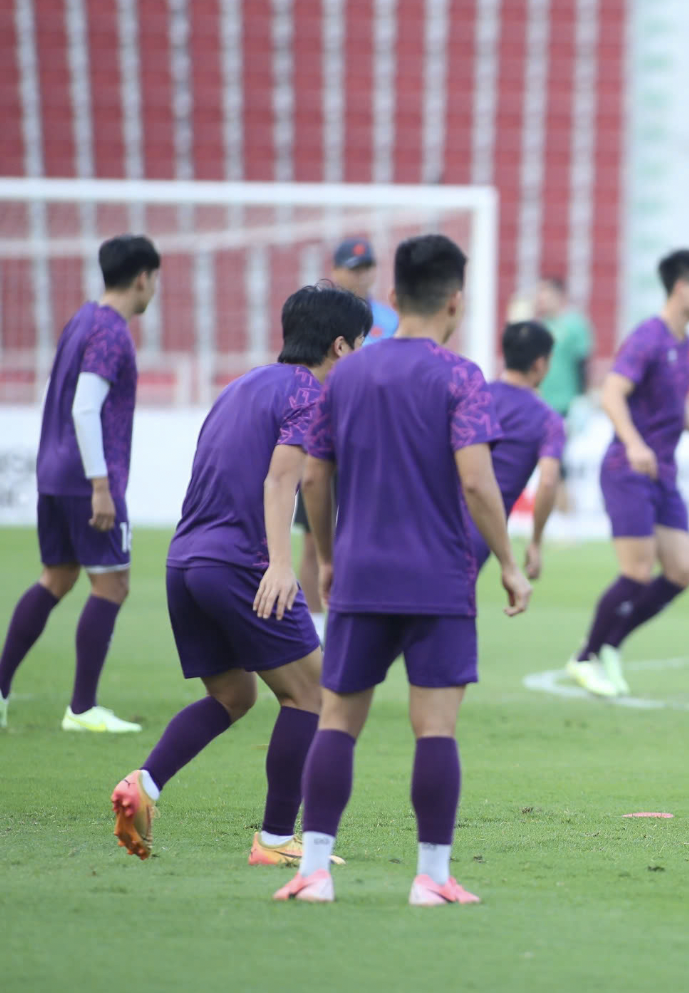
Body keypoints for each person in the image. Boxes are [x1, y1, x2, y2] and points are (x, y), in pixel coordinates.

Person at [273, 234, 531, 906]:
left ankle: (315, 870)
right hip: (439, 579)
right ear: (456, 300)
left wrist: (327, 556)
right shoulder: (461, 377)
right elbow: (478, 483)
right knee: (435, 728)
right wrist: (509, 563)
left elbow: (316, 478)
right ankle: (432, 877)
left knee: (337, 722)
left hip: (361, 575)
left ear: (390, 298)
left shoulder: (348, 373)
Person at [110, 284, 370, 866]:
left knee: (233, 695)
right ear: (340, 347)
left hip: (186, 561)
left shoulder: (243, 385)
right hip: (240, 564)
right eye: (361, 344)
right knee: (313, 695)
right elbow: (282, 482)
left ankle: (143, 787)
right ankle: (276, 840)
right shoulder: (311, 393)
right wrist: (281, 563)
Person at [0, 234, 160, 733]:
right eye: (154, 280)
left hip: (54, 472)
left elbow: (57, 394)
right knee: (113, 583)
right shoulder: (113, 333)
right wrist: (101, 484)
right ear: (143, 276)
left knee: (56, 578)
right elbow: (85, 405)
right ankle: (81, 708)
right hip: (87, 478)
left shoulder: (80, 320)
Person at [567, 250, 689, 697]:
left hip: (663, 472)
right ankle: (584, 657)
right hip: (628, 469)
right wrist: (635, 443)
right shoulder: (648, 337)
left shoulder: (685, 344)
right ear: (682, 287)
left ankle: (610, 645)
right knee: (637, 572)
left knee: (681, 571)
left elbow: (676, 405)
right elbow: (612, 392)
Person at [291, 238, 403, 617]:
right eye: (354, 267)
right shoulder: (318, 318)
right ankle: (315, 625)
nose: (362, 274)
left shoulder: (389, 321)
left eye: (367, 266)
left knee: (372, 532)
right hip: (326, 431)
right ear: (336, 271)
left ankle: (361, 613)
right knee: (312, 536)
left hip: (374, 436)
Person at [481, 321, 566, 582]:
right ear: (540, 364)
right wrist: (536, 541)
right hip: (480, 527)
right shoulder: (547, 419)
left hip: (432, 518)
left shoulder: (475, 395)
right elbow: (549, 480)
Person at [536, 276, 596, 513]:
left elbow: (582, 362)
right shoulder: (539, 326)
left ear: (559, 296)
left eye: (546, 293)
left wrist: (582, 398)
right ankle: (556, 514)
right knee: (548, 461)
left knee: (556, 460)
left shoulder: (574, 324)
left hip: (563, 403)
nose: (541, 299)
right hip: (539, 402)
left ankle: (565, 513)